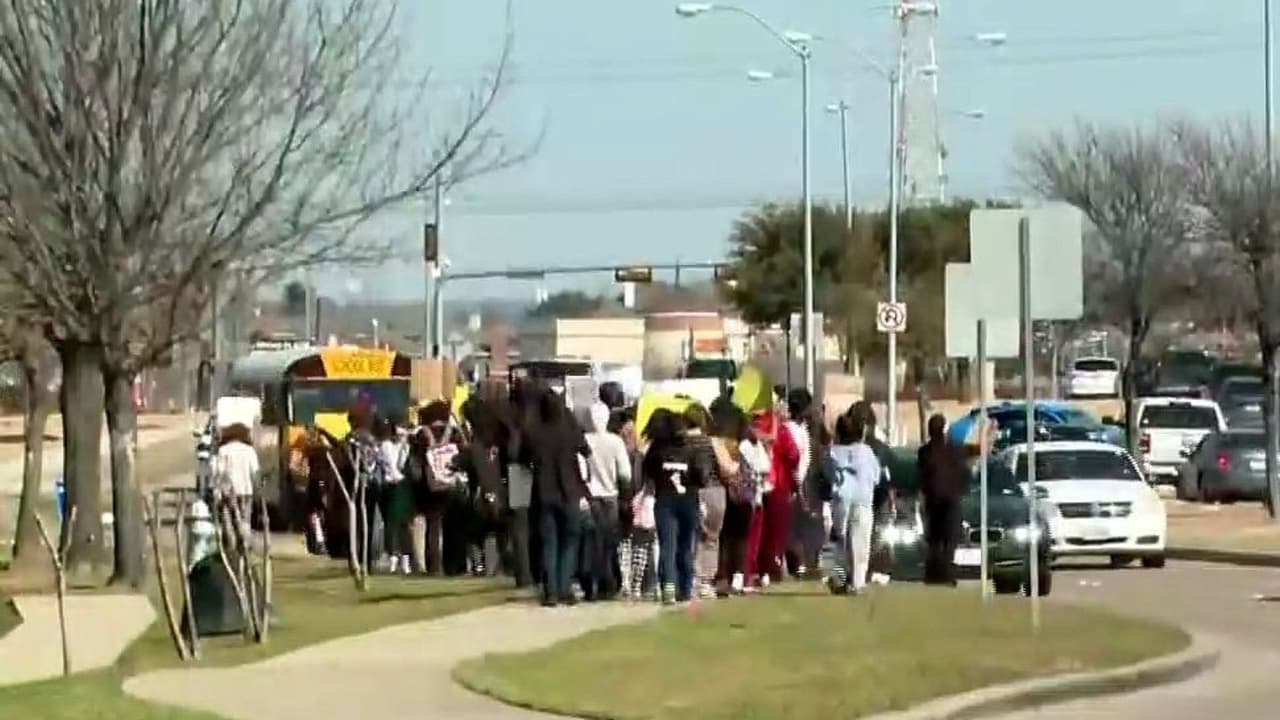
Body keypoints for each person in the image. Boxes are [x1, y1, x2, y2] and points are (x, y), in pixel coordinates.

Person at [524, 388, 591, 607]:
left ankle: (551, 591)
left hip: (544, 492)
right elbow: (586, 450)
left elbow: (524, 456)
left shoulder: (536, 432)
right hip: (569, 490)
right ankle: (565, 588)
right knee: (569, 542)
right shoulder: (569, 428)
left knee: (549, 544)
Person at [644, 408, 713, 604]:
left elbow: (648, 471)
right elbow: (702, 477)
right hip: (689, 501)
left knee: (667, 545)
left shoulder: (657, 450)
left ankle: (668, 585)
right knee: (686, 545)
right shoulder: (692, 449)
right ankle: (685, 587)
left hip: (665, 501)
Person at [575, 403, 630, 601]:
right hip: (610, 495)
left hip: (590, 495)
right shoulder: (615, 442)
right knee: (609, 542)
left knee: (590, 542)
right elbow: (625, 473)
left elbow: (580, 469)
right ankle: (608, 583)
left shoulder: (583, 440)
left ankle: (589, 583)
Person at [828, 413, 882, 595]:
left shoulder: (833, 452)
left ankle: (841, 579)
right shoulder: (866, 452)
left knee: (841, 542)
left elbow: (829, 475)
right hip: (862, 500)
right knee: (859, 543)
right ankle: (856, 582)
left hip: (840, 500)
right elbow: (876, 477)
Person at [917, 413, 967, 586]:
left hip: (933, 499)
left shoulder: (925, 452)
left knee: (935, 538)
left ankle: (934, 572)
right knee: (949, 538)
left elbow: (922, 475)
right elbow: (963, 472)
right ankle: (946, 572)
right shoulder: (955, 450)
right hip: (950, 498)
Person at [683, 404, 724, 600]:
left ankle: (689, 579)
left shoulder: (681, 443)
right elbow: (726, 468)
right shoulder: (713, 442)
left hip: (688, 491)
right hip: (713, 491)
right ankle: (705, 582)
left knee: (688, 537)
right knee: (711, 539)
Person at [376, 417, 413, 575]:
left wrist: (404, 446)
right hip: (391, 487)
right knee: (391, 523)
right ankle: (392, 558)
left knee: (404, 524)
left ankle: (405, 560)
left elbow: (402, 464)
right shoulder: (386, 445)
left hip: (403, 487)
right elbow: (393, 468)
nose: (402, 435)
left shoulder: (405, 446)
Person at [213, 422, 259, 536]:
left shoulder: (223, 450)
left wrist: (217, 488)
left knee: (228, 519)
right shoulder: (249, 450)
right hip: (246, 490)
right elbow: (255, 471)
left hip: (228, 491)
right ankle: (245, 540)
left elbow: (219, 471)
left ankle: (231, 541)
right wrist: (258, 486)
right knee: (245, 518)